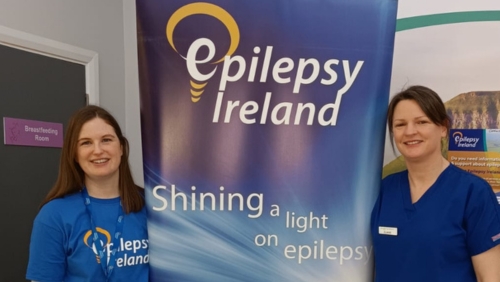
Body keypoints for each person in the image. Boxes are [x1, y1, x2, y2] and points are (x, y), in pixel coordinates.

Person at [371, 85, 500, 282]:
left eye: (421, 122)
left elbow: (490, 277)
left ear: (443, 128)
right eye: (400, 125)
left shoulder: (473, 193)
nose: (410, 131)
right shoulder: (383, 189)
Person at [26, 105, 149, 282]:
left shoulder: (152, 206)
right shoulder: (53, 215)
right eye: (86, 143)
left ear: (121, 147)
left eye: (106, 140)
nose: (98, 150)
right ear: (75, 154)